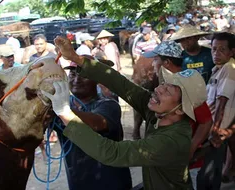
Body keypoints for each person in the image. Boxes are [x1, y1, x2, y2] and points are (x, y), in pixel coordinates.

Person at [42, 36, 208, 189]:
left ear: (179, 109)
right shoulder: (159, 113)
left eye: (168, 91)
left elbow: (112, 152)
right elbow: (122, 85)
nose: (158, 89)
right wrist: (76, 58)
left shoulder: (171, 141)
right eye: (164, 84)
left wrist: (64, 112)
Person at [51, 61, 132, 190]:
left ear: (96, 79)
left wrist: (61, 110)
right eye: (72, 74)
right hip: (78, 182)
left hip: (111, 183)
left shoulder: (109, 104)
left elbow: (97, 123)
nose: (77, 80)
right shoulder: (64, 106)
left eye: (84, 75)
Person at [143, 40, 213, 190]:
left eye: (156, 59)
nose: (152, 64)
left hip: (187, 164)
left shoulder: (185, 87)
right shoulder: (167, 86)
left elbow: (206, 121)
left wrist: (190, 148)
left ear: (166, 62)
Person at [197, 32, 235, 190]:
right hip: (212, 127)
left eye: (222, 49)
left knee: (209, 174)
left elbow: (222, 101)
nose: (216, 53)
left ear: (232, 52)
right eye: (213, 49)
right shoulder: (218, 69)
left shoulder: (229, 69)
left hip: (215, 129)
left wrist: (215, 130)